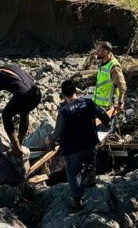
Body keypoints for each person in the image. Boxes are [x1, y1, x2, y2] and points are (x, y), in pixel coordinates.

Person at [46, 80, 111, 211]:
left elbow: (58, 132)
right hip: (90, 141)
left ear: (63, 95)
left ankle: (77, 201)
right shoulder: (88, 102)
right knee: (90, 161)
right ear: (76, 91)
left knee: (74, 172)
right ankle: (91, 179)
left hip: (73, 148)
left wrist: (49, 139)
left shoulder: (64, 112)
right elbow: (103, 113)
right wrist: (107, 123)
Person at [92, 41, 126, 131]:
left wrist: (120, 103)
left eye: (99, 50)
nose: (96, 52)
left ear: (105, 52)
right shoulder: (103, 62)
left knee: (104, 133)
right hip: (98, 105)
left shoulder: (114, 67)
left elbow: (122, 86)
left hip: (107, 108)